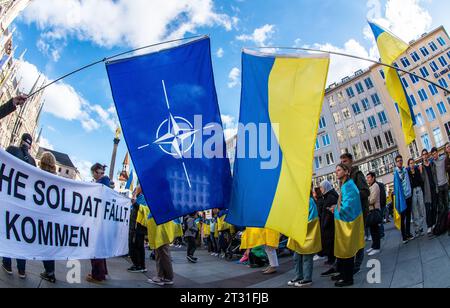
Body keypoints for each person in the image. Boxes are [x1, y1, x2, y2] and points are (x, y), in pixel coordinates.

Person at [2, 133, 37, 279]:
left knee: (7, 232)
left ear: (21, 141)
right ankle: (21, 269)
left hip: (9, 199)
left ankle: (7, 264)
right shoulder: (32, 161)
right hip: (24, 204)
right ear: (30, 145)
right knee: (20, 236)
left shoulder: (11, 150)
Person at [333, 164, 365, 288]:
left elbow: (347, 208)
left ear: (346, 172)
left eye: (339, 170)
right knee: (342, 250)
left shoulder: (349, 186)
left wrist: (335, 210)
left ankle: (348, 278)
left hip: (348, 223)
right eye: (336, 170)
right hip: (345, 223)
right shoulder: (346, 185)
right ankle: (342, 274)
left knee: (347, 251)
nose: (337, 172)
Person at [340, 153, 370, 275]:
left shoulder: (357, 175)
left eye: (345, 161)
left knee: (358, 239)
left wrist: (352, 197)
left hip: (359, 212)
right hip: (349, 213)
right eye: (342, 162)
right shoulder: (344, 178)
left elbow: (365, 192)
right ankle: (348, 264)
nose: (343, 164)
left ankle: (357, 265)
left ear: (351, 161)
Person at [287, 194, 322, 288]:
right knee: (296, 257)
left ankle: (307, 279)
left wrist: (296, 225)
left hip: (306, 234)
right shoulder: (300, 200)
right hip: (299, 234)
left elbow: (312, 220)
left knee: (307, 257)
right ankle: (299, 276)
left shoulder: (310, 201)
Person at [86, 163, 110, 283]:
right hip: (100, 220)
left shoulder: (102, 183)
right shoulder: (104, 182)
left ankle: (97, 275)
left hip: (98, 220)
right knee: (99, 247)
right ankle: (102, 272)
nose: (93, 176)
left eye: (93, 173)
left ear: (96, 172)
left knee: (95, 248)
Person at [37, 152, 58, 283]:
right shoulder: (57, 178)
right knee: (48, 245)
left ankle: (49, 273)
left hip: (39, 214)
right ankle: (50, 272)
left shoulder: (37, 174)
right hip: (52, 217)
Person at [394, 155, 414, 244]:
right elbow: (396, 187)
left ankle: (408, 233)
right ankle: (404, 237)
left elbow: (413, 166)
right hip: (402, 198)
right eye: (398, 161)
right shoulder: (396, 173)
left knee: (409, 216)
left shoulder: (405, 170)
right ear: (396, 162)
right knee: (403, 218)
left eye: (401, 160)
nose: (400, 162)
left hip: (408, 195)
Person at [128, 186, 148, 273]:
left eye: (136, 189)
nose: (134, 190)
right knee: (133, 246)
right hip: (133, 227)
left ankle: (140, 265)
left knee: (138, 246)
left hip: (139, 227)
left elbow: (143, 210)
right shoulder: (137, 198)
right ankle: (136, 264)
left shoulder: (143, 198)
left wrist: (135, 202)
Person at [320, 180, 338, 267]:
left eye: (321, 187)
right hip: (328, 225)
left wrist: (325, 223)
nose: (320, 189)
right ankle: (330, 259)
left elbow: (329, 212)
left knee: (330, 243)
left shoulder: (330, 197)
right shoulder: (328, 196)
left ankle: (332, 260)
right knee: (329, 243)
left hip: (330, 225)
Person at [431, 147, 449, 231]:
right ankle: (444, 224)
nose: (434, 155)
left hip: (445, 185)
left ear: (437, 153)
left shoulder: (443, 158)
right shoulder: (432, 162)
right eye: (432, 154)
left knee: (447, 204)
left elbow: (447, 155)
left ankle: (448, 223)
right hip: (439, 187)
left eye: (435, 153)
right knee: (441, 207)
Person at [421, 149, 438, 235]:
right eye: (423, 154)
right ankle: (429, 226)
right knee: (428, 208)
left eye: (426, 154)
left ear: (427, 155)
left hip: (433, 188)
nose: (425, 156)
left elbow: (435, 175)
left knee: (434, 207)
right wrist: (421, 172)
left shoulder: (431, 164)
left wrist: (436, 186)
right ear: (422, 156)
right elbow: (422, 179)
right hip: (427, 191)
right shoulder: (421, 167)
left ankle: (434, 223)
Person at [407, 159, 426, 237]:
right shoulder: (407, 173)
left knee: (421, 209)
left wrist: (420, 172)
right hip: (413, 192)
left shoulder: (417, 170)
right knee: (414, 211)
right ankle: (417, 229)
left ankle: (421, 227)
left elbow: (421, 180)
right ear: (408, 165)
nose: (412, 164)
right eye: (410, 163)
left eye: (413, 163)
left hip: (419, 189)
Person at [366, 172, 382, 256]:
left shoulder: (375, 186)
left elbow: (372, 200)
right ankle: (373, 246)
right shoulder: (371, 186)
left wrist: (366, 200)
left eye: (369, 177)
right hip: (371, 210)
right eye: (367, 177)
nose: (367, 179)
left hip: (375, 210)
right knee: (372, 230)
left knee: (375, 230)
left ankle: (377, 248)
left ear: (373, 178)